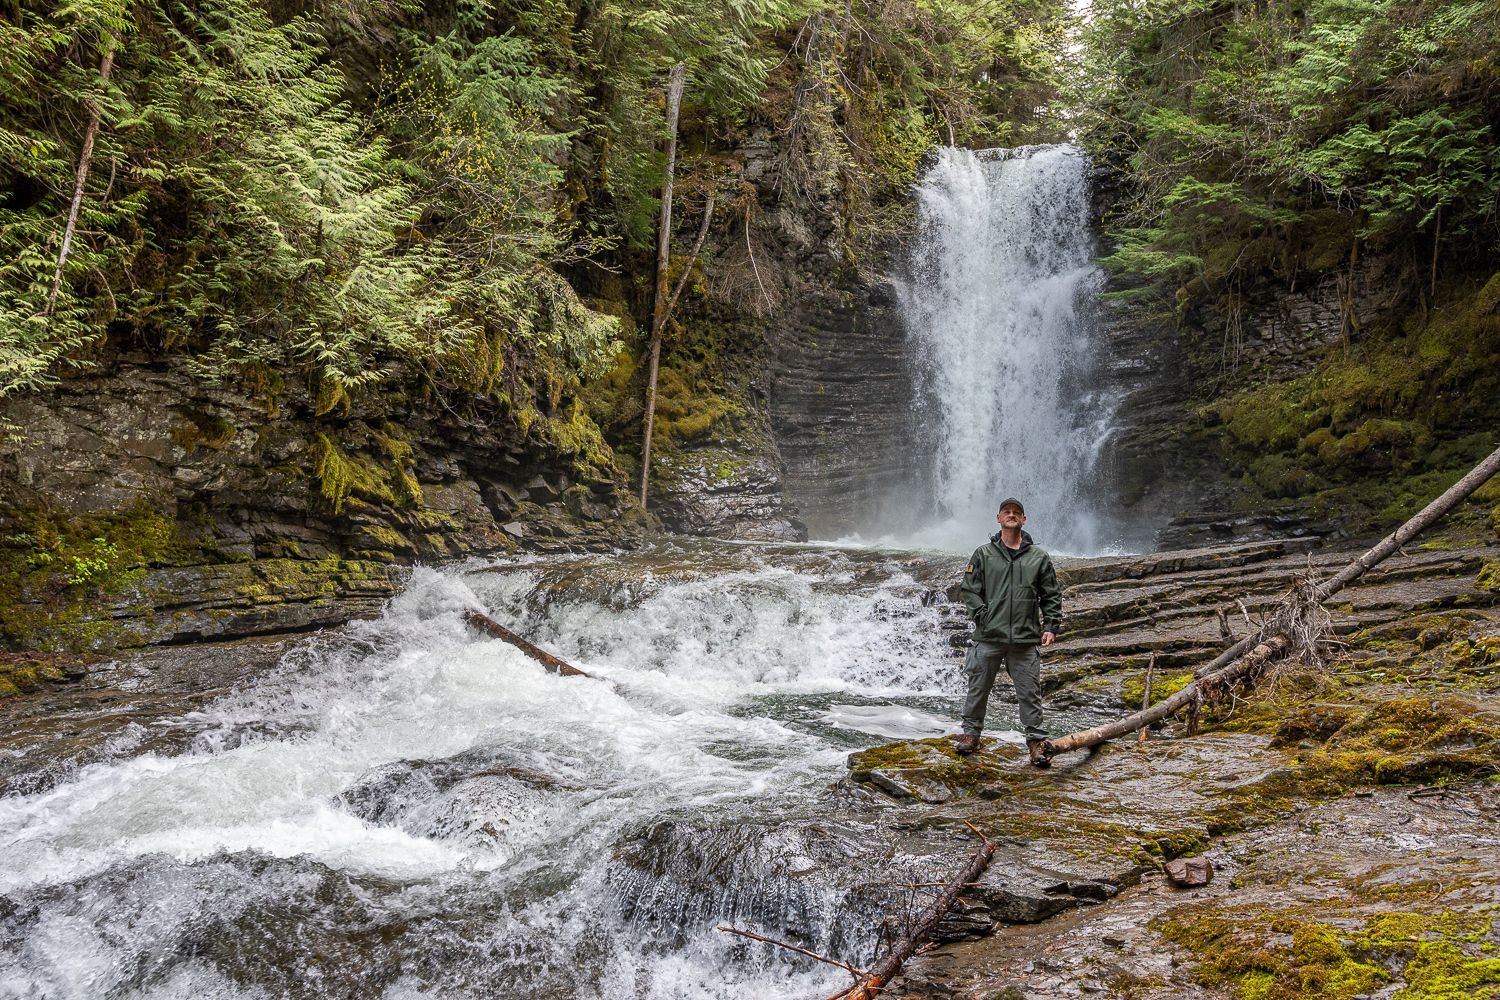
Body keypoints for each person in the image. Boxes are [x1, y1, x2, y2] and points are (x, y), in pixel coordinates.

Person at [955, 497, 1062, 768]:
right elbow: (969, 590)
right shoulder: (983, 554)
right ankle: (971, 735)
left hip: (1025, 638)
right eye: (1007, 512)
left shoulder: (1039, 557)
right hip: (989, 635)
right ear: (998, 518)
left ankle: (1036, 744)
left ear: (1024, 520)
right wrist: (982, 616)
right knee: (978, 687)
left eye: (1017, 513)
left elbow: (1051, 594)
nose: (1012, 515)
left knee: (1029, 692)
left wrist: (1051, 626)